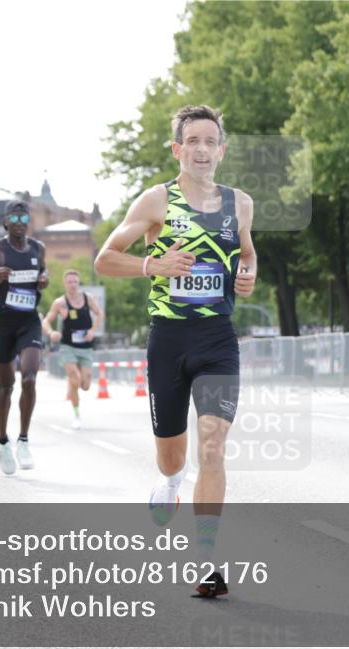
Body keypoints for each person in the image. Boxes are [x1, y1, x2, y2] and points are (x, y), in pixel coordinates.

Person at [94, 105, 257, 597]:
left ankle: (206, 562)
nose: (202, 149)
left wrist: (249, 274)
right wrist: (152, 266)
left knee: (213, 445)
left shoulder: (240, 204)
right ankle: (170, 482)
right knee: (172, 454)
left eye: (211, 141)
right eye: (193, 141)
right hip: (168, 339)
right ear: (178, 149)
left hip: (217, 340)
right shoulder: (156, 201)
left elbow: (247, 254)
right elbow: (105, 260)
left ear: (221, 150)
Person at [0, 199, 49, 474]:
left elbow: (43, 271)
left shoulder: (38, 248)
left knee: (29, 377)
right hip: (4, 325)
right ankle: (3, 442)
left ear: (29, 221)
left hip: (29, 322)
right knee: (5, 386)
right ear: (5, 222)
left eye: (23, 218)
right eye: (13, 220)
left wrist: (44, 279)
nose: (19, 224)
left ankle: (24, 440)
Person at [41, 269, 103, 430]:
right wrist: (51, 332)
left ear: (79, 282)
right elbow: (46, 321)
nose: (73, 285)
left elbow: (99, 314)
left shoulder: (87, 299)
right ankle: (77, 415)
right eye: (70, 282)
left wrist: (92, 331)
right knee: (74, 379)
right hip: (68, 346)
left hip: (86, 347)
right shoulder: (60, 303)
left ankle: (73, 384)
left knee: (86, 385)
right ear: (65, 283)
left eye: (75, 281)